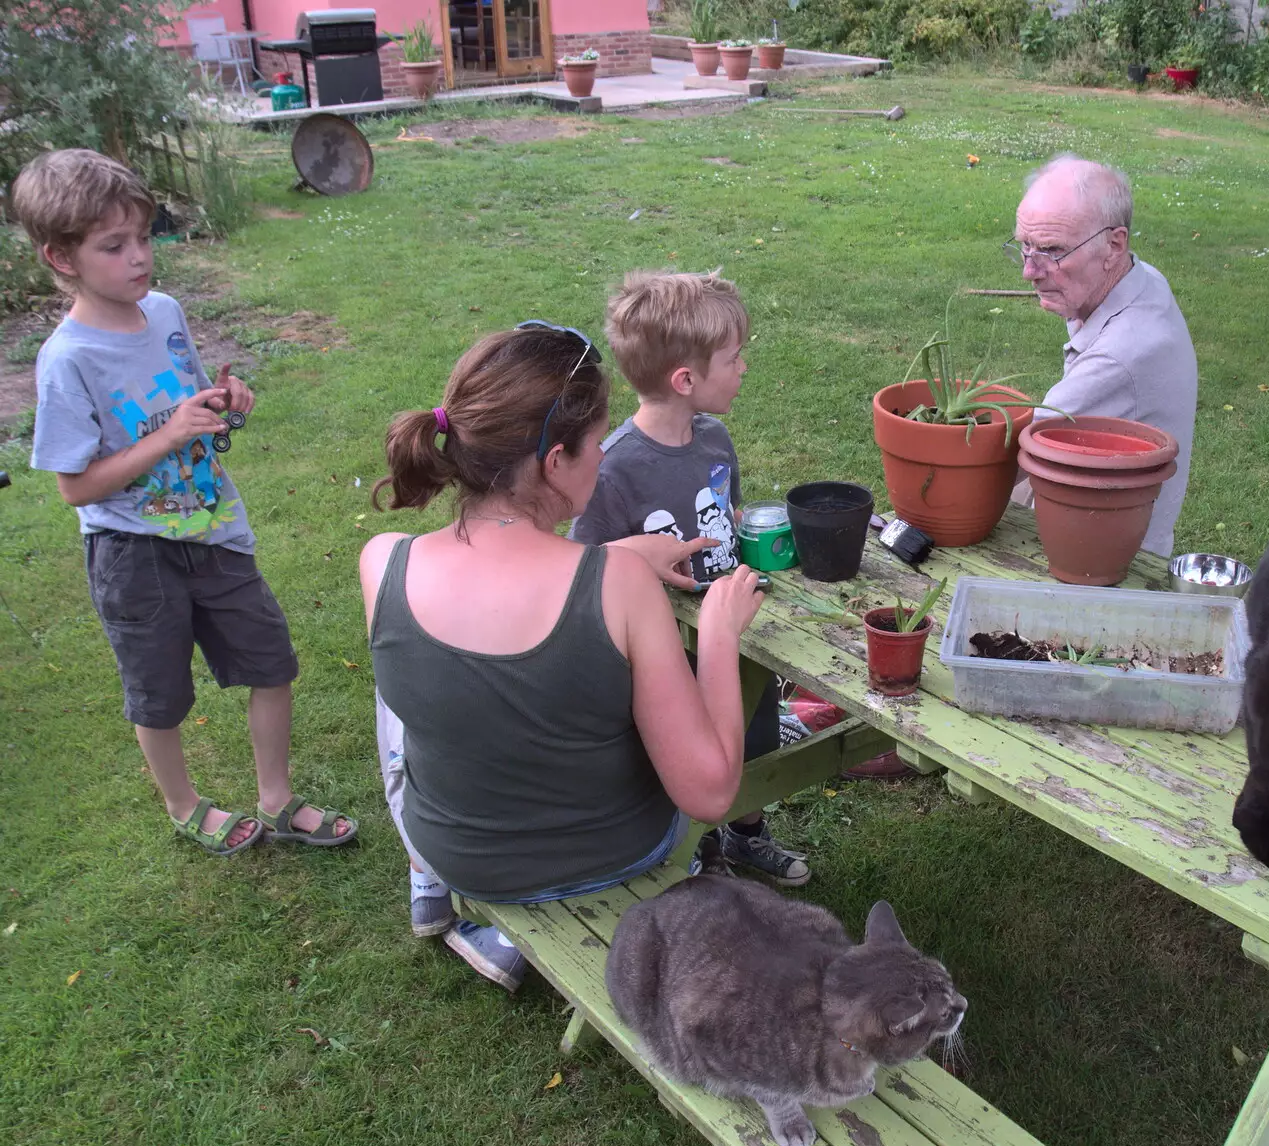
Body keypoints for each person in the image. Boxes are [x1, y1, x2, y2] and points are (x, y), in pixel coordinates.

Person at [361, 324, 764, 992]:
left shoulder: (384, 562)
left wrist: (610, 555)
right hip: (609, 854)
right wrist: (720, 635)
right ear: (554, 462)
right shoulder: (619, 589)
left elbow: (503, 593)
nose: (604, 456)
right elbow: (711, 792)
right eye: (598, 441)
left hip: (455, 853)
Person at [16, 148, 355, 855]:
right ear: (62, 256)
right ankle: (184, 803)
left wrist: (224, 404)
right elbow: (74, 485)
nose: (139, 257)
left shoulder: (163, 312)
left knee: (272, 662)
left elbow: (188, 399)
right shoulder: (67, 359)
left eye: (144, 236)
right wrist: (170, 436)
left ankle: (277, 797)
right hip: (132, 553)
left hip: (214, 531)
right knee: (159, 693)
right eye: (114, 246)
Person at [569, 271, 810, 887]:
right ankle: (695, 854)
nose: (744, 368)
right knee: (677, 757)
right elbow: (585, 572)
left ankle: (746, 835)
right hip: (664, 652)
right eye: (733, 359)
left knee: (750, 733)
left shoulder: (713, 437)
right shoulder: (615, 467)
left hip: (731, 632)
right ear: (686, 379)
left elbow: (725, 509)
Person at [1008, 154, 1199, 557]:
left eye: (1052, 250)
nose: (1030, 271)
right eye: (1025, 246)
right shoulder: (1136, 280)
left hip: (1100, 554)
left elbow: (1003, 463)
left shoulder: (1119, 357)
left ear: (1114, 244)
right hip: (1091, 503)